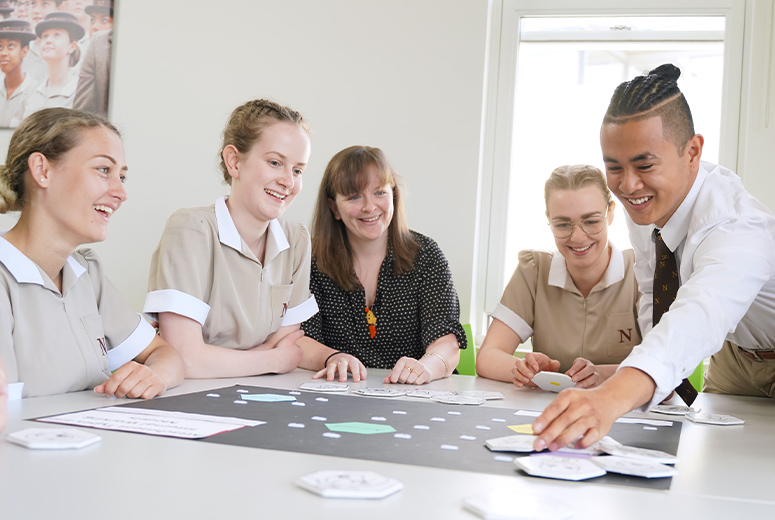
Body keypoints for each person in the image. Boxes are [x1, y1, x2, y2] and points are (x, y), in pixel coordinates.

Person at [534, 63, 775, 452]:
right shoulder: (647, 204)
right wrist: (654, 383)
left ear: (692, 151)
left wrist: (613, 396)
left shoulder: (734, 225)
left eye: (644, 165)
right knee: (712, 466)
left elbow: (699, 316)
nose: (628, 186)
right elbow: (654, 292)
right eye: (614, 168)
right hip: (736, 358)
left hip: (740, 337)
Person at [0, 107, 184, 399]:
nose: (121, 193)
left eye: (121, 176)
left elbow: (165, 355)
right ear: (42, 171)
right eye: (103, 170)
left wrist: (153, 375)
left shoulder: (86, 273)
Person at [145, 99, 317, 378]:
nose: (288, 181)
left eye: (298, 170)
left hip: (265, 393)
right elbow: (184, 359)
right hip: (190, 398)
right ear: (234, 162)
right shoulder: (191, 229)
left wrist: (217, 360)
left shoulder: (297, 240)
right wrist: (274, 360)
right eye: (275, 162)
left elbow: (289, 342)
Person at [299, 146, 466, 385]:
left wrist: (425, 367)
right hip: (338, 393)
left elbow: (447, 341)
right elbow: (298, 338)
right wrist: (332, 357)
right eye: (354, 196)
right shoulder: (310, 260)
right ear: (334, 207)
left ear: (394, 196)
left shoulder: (426, 255)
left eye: (379, 192)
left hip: (416, 395)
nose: (369, 207)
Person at [476, 165, 640, 389]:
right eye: (563, 224)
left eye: (591, 221)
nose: (578, 237)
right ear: (549, 220)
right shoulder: (534, 271)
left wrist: (601, 374)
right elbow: (488, 357)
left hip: (624, 414)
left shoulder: (642, 273)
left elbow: (665, 369)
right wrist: (526, 370)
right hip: (550, 412)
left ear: (610, 213)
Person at [22, 11, 83, 119]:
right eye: (45, 36)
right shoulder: (30, 91)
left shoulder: (80, 92)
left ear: (72, 46)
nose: (48, 41)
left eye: (57, 35)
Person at [0, 18, 39, 127]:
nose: (3, 53)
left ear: (24, 51)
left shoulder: (35, 92)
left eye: (11, 46)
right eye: (0, 47)